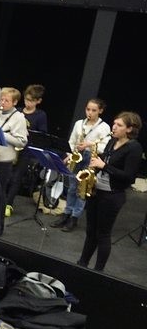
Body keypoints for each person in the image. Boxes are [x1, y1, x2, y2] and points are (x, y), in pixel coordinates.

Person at [78, 111, 143, 272]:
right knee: (90, 231)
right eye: (114, 123)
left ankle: (98, 271)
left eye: (119, 125)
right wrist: (95, 167)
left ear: (129, 129)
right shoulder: (112, 141)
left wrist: (104, 166)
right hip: (97, 191)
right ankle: (82, 264)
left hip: (112, 195)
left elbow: (129, 176)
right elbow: (105, 162)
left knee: (103, 234)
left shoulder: (134, 148)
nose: (114, 127)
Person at [59, 97, 111, 230]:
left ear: (100, 111)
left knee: (82, 189)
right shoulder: (79, 123)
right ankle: (66, 213)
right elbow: (72, 141)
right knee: (71, 187)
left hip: (90, 158)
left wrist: (89, 144)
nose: (90, 113)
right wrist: (70, 155)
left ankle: (74, 217)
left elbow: (105, 147)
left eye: (94, 110)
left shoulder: (104, 127)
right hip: (77, 156)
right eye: (88, 109)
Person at [0, 87, 30, 212]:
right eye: (1, 100)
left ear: (15, 102)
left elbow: (22, 142)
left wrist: (2, 135)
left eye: (6, 101)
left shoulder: (19, 118)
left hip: (4, 161)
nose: (2, 103)